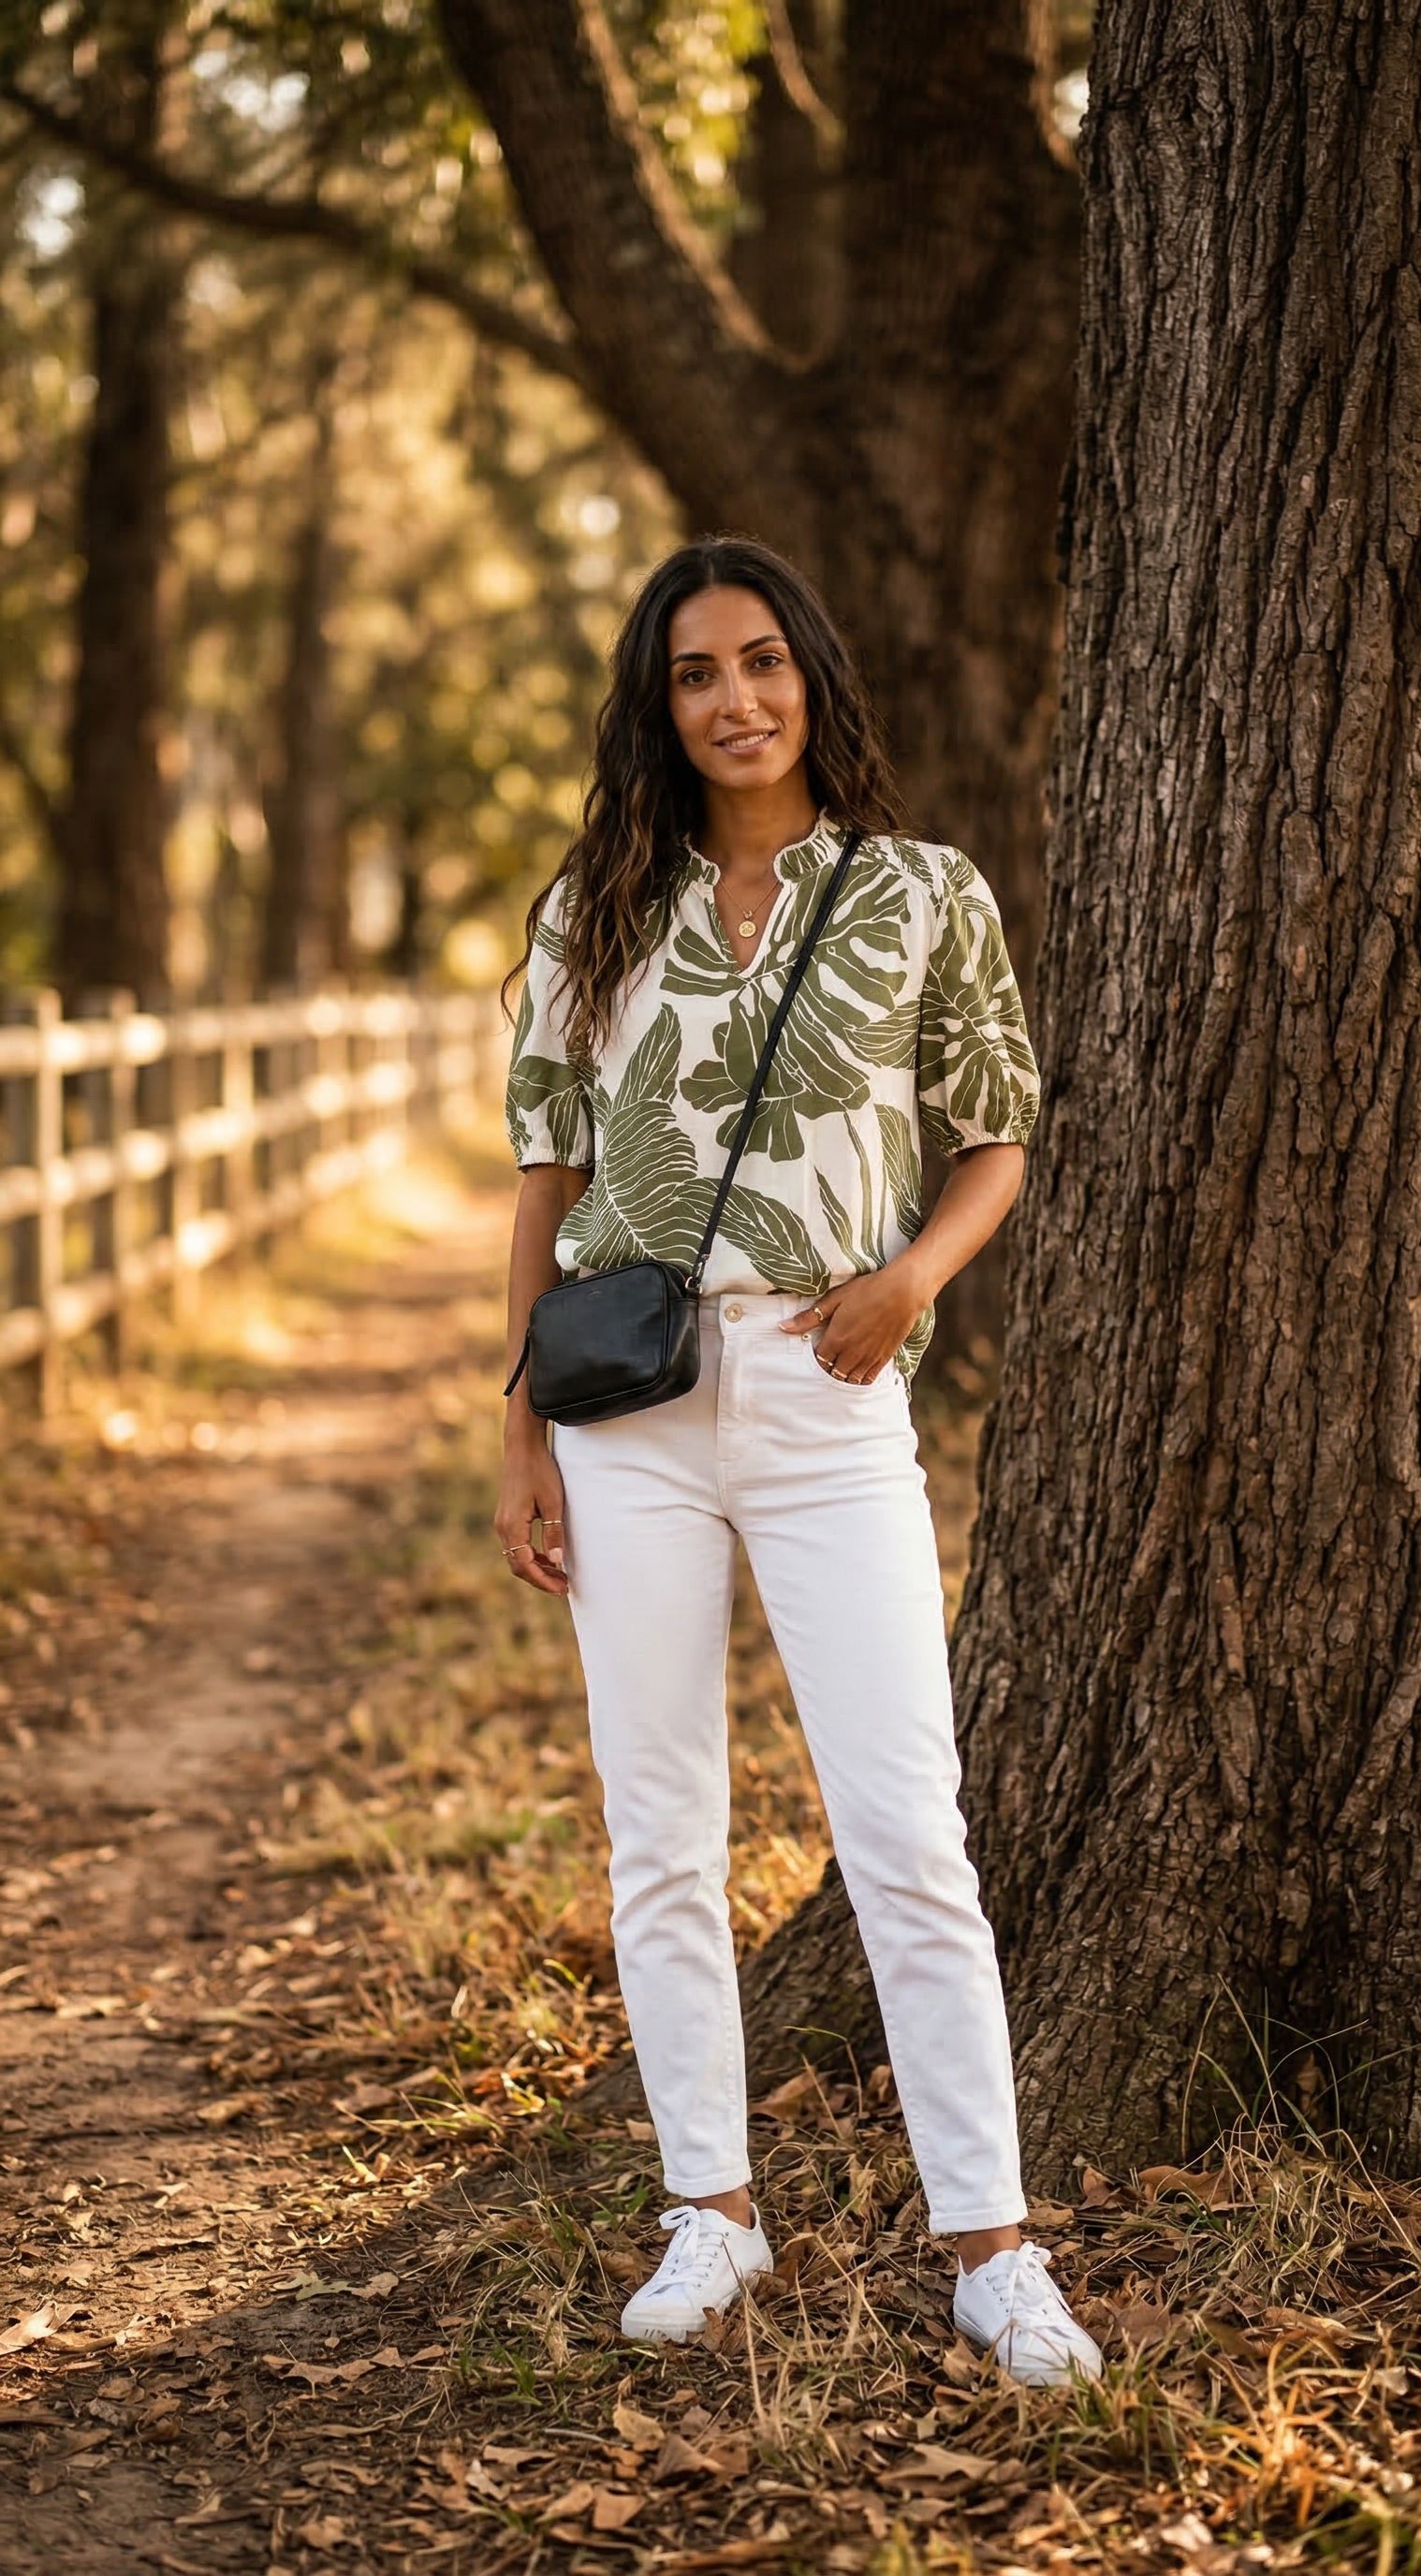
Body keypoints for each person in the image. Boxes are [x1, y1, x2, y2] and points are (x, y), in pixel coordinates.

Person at [496, 535, 1102, 2386]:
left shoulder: (921, 894)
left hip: (832, 1396)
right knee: (661, 1827)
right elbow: (545, 1175)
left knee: (908, 1826)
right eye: (695, 673)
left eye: (761, 660)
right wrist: (519, 1426)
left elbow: (997, 1131)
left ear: (812, 676)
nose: (735, 698)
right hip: (629, 1411)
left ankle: (992, 2245)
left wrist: (912, 1277)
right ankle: (713, 2208)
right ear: (658, 706)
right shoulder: (596, 909)